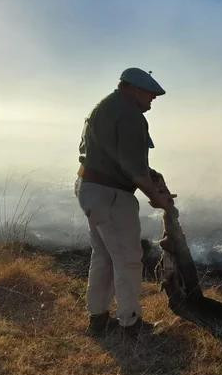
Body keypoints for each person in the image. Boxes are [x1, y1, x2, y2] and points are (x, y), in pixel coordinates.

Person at [75, 68, 175, 336]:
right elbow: (133, 169)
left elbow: (117, 155)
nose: (153, 99)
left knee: (105, 256)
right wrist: (158, 199)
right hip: (111, 195)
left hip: (91, 188)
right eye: (150, 94)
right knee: (129, 259)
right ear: (132, 88)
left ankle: (98, 319)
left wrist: (151, 176)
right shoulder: (131, 116)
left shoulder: (105, 107)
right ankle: (130, 324)